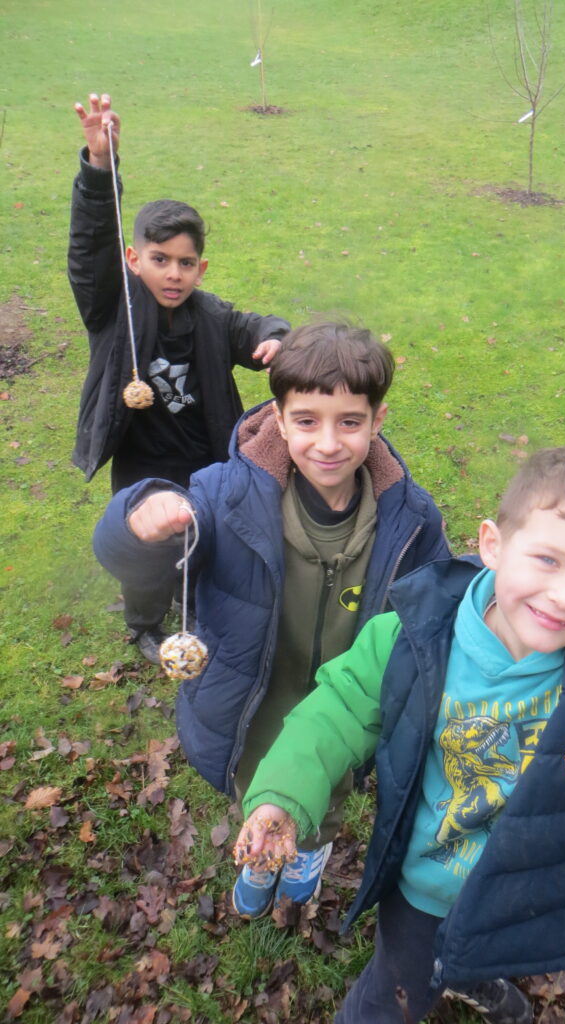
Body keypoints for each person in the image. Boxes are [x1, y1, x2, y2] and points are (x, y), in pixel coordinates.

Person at [232, 446, 565, 1024]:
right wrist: (284, 796)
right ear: (493, 545)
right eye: (546, 559)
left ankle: (471, 977)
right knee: (396, 992)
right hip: (425, 887)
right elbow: (335, 711)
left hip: (530, 889)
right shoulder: (413, 636)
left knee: (482, 955)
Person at [93, 321, 451, 918]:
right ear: (279, 421)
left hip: (346, 714)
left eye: (350, 423)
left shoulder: (409, 518)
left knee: (325, 799)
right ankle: (259, 869)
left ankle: (306, 860)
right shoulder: (223, 495)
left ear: (377, 421)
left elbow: (433, 609)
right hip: (247, 709)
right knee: (256, 798)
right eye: (307, 421)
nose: (329, 443)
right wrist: (137, 519)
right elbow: (135, 554)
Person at [69, 92, 290, 664]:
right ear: (132, 258)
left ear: (201, 267)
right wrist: (100, 167)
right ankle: (145, 619)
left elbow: (253, 326)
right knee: (149, 549)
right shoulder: (111, 310)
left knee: (205, 539)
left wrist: (277, 337)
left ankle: (196, 607)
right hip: (142, 464)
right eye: (159, 258)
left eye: (185, 262)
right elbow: (89, 247)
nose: (173, 273)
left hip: (206, 459)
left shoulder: (211, 316)